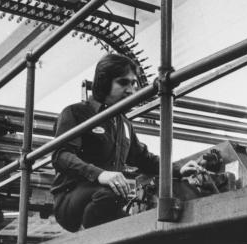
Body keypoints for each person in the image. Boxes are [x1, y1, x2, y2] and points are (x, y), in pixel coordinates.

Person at [50, 54, 200, 232]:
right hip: (70, 200)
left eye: (134, 83)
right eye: (123, 83)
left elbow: (143, 158)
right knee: (112, 193)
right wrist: (100, 174)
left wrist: (178, 169)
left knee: (139, 228)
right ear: (104, 82)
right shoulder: (75, 113)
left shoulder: (124, 123)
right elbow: (61, 156)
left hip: (108, 198)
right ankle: (86, 237)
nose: (131, 90)